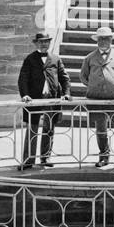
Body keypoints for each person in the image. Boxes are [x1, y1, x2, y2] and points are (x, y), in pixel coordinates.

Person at [79, 25, 114, 171]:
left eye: (106, 38)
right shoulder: (89, 58)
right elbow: (83, 77)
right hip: (96, 99)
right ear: (96, 41)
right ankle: (103, 157)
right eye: (101, 39)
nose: (103, 41)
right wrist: (95, 86)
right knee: (101, 129)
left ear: (111, 40)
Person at [18, 31, 70, 169]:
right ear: (36, 43)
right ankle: (28, 160)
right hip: (34, 100)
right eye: (41, 42)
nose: (44, 44)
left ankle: (45, 158)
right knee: (32, 130)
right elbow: (23, 79)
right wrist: (25, 95)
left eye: (46, 41)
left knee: (49, 129)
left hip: (51, 99)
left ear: (49, 43)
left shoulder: (55, 59)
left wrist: (66, 94)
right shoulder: (29, 59)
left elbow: (64, 78)